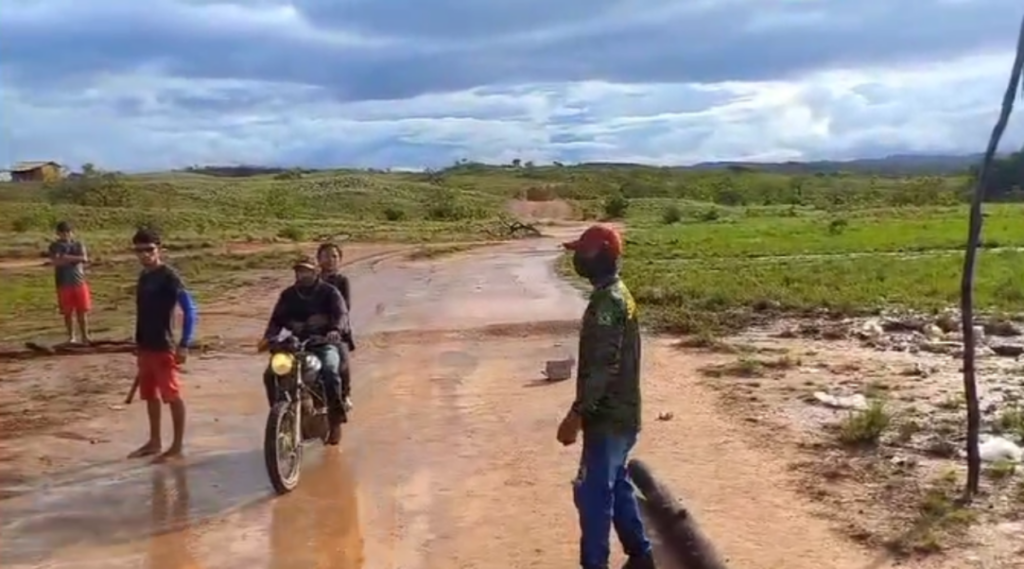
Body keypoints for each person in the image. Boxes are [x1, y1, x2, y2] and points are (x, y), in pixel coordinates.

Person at [556, 224, 655, 569]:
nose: (576, 260)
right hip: (622, 413)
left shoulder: (608, 302)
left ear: (598, 255)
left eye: (581, 253)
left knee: (592, 494)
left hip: (608, 416)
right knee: (616, 484)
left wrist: (576, 415)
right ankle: (641, 555)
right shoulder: (617, 293)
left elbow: (602, 367)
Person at [262, 255, 350, 444]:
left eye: (305, 271)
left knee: (330, 371)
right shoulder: (288, 295)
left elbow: (341, 314)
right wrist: (269, 337)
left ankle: (335, 422)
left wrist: (335, 330)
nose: (301, 274)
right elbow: (276, 320)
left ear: (315, 271)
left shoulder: (330, 292)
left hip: (323, 342)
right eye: (298, 271)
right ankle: (278, 417)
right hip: (294, 344)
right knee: (270, 373)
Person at [128, 227, 197, 463]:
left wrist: (184, 344)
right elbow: (141, 312)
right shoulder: (144, 277)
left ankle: (176, 446)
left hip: (164, 345)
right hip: (145, 345)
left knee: (172, 395)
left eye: (149, 250)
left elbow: (190, 310)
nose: (144, 255)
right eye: (139, 251)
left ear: (159, 249)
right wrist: (137, 343)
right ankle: (154, 441)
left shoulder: (169, 277)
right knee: (150, 395)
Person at [316, 242, 355, 413]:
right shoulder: (312, 280)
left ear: (339, 260)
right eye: (326, 255)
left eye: (334, 256)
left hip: (336, 330)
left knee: (341, 363)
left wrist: (334, 327)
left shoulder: (341, 281)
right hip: (311, 332)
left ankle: (344, 395)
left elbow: (345, 307)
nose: (330, 259)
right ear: (318, 259)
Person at [48, 221, 92, 344]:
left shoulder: (78, 244)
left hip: (79, 281)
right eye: (62, 233)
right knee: (67, 312)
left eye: (68, 232)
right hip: (63, 283)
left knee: (82, 312)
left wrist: (65, 258)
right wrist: (73, 259)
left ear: (72, 233)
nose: (65, 235)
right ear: (58, 233)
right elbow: (56, 261)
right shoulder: (54, 246)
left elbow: (84, 258)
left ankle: (85, 336)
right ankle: (71, 337)